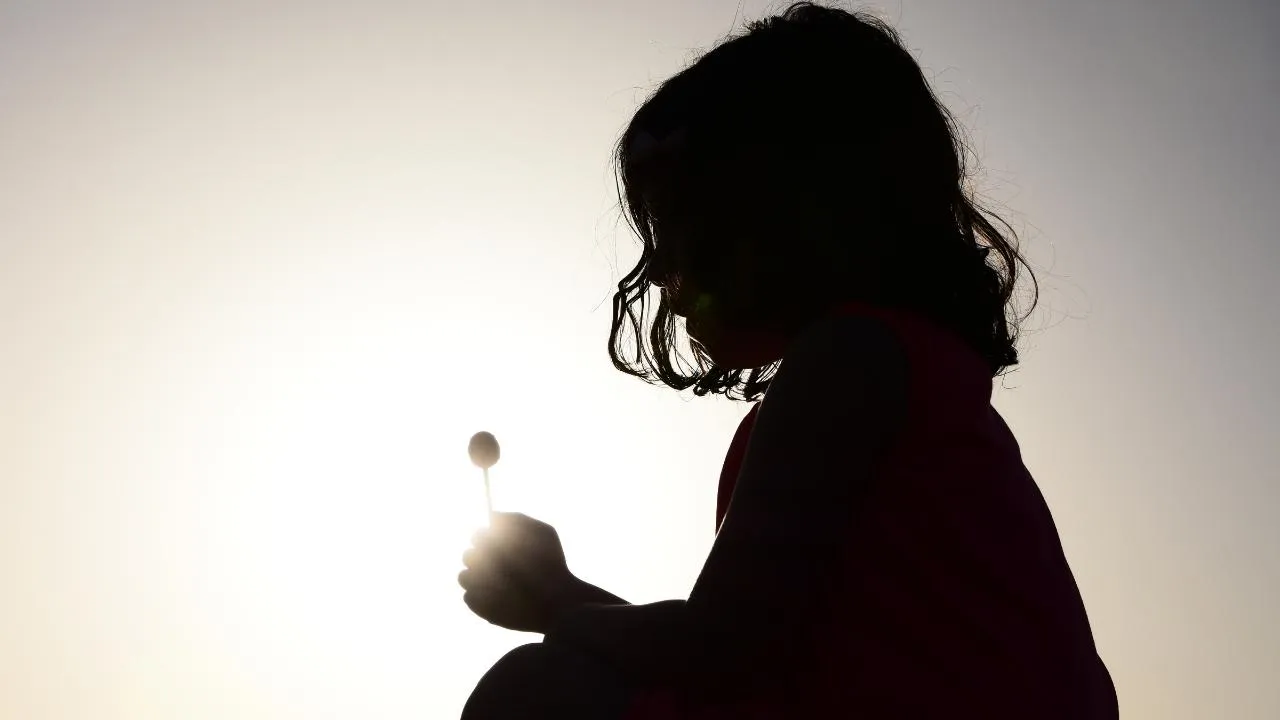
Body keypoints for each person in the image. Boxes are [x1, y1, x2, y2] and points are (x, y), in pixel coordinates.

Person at [456, 3, 1119, 718]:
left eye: (684, 219)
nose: (668, 268)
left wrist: (559, 603)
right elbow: (748, 645)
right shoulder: (903, 369)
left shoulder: (850, 362)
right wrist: (564, 600)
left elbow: (722, 651)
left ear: (790, 207)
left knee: (535, 690)